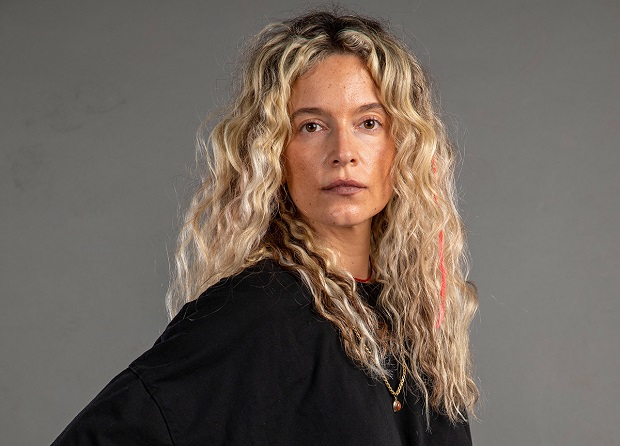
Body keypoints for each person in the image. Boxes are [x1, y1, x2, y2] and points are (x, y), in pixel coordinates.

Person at [52, 9, 478, 445]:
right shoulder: (257, 310)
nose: (343, 151)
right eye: (311, 126)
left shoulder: (414, 318)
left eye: (368, 123)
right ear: (274, 150)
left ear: (403, 143)